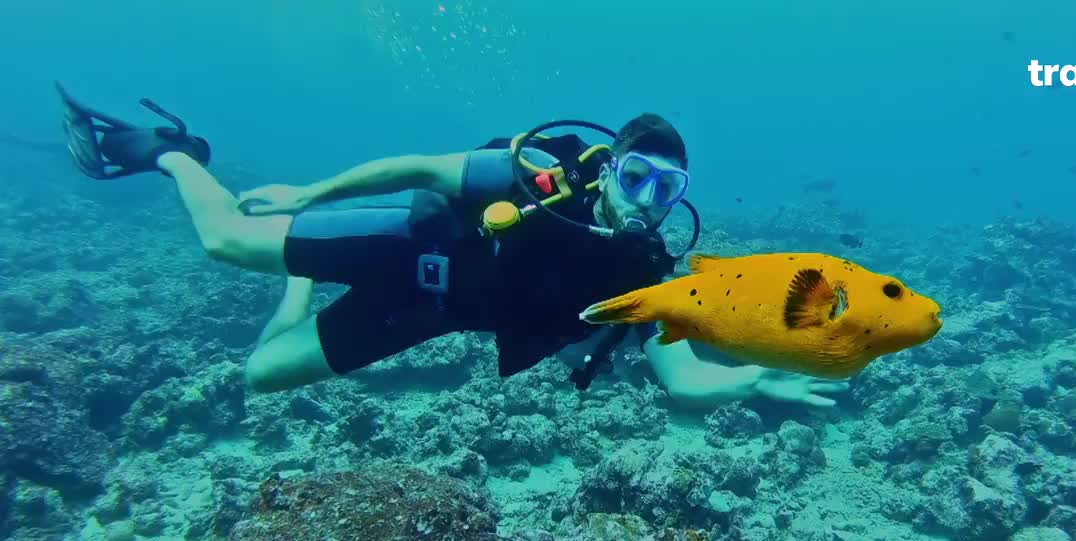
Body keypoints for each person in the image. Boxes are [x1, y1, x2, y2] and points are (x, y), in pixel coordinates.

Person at [56, 82, 848, 408]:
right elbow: (417, 166)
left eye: (667, 190)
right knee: (226, 239)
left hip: (424, 316)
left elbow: (680, 378)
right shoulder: (537, 175)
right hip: (403, 248)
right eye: (638, 177)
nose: (648, 202)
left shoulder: (643, 273)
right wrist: (307, 194)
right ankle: (171, 153)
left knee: (260, 375)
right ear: (611, 168)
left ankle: (295, 283)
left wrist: (753, 379)